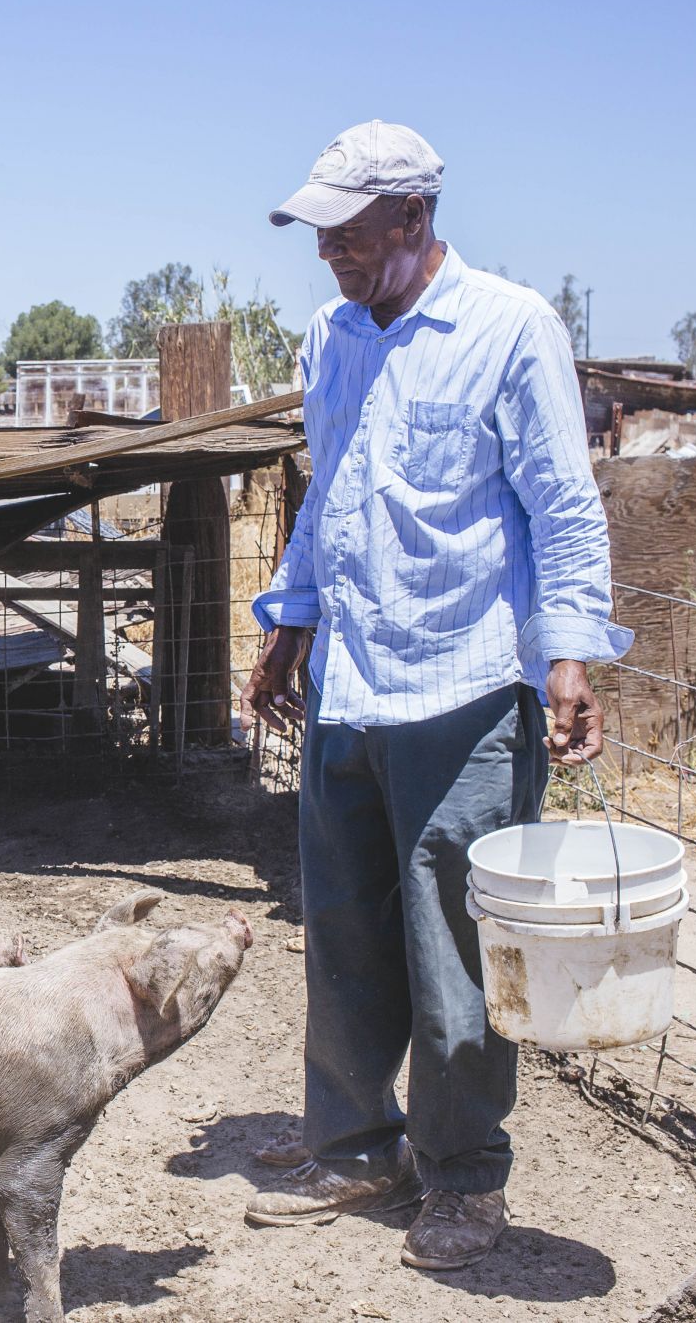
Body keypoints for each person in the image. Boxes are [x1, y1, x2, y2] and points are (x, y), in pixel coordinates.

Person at [239, 120, 631, 1270]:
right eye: (319, 236)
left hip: (462, 684)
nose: (328, 256)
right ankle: (358, 1143)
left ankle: (462, 1177)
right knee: (345, 933)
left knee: (458, 952)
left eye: (347, 233)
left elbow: (560, 506)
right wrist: (286, 625)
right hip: (351, 681)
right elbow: (327, 497)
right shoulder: (331, 337)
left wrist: (567, 657)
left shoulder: (509, 328)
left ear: (410, 219)